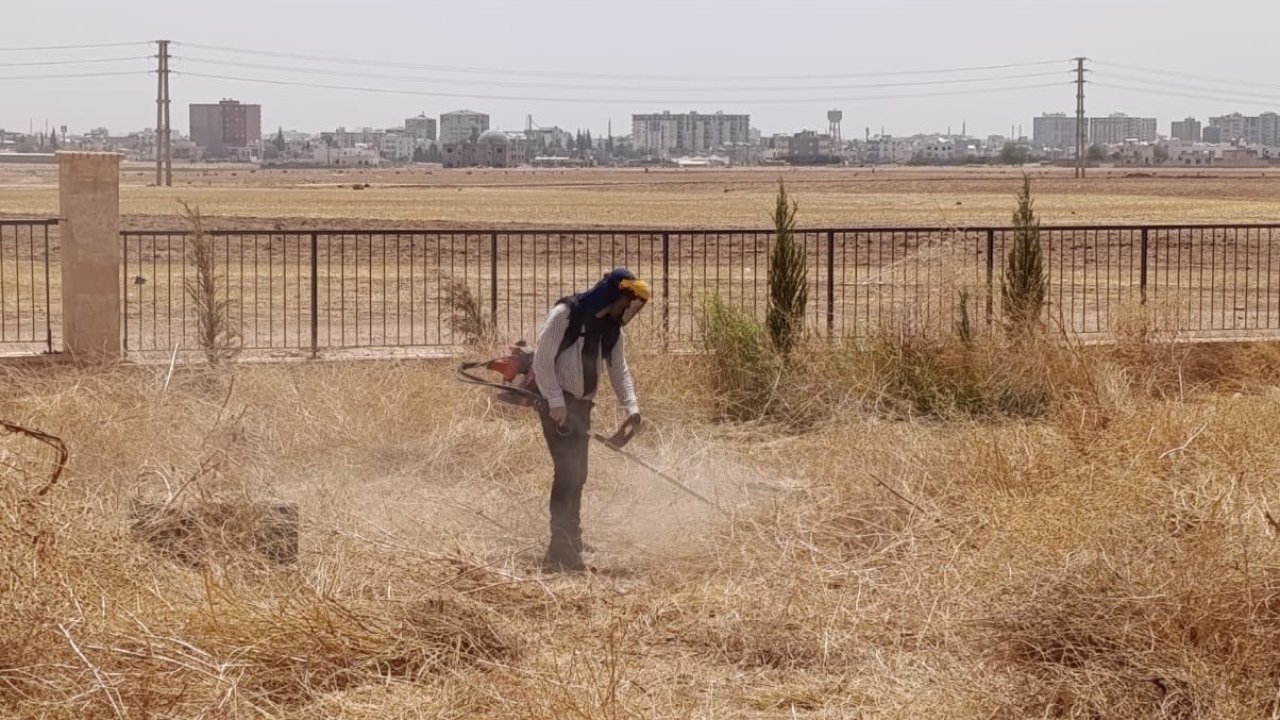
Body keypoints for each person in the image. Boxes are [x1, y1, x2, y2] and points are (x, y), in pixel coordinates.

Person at [532, 268, 650, 571]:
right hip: (556, 405)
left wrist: (632, 407)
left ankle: (572, 537)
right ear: (612, 295)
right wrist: (556, 403)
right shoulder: (564, 315)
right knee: (567, 473)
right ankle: (559, 551)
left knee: (579, 474)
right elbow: (542, 362)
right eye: (626, 302)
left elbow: (618, 368)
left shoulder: (611, 329)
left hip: (582, 407)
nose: (627, 309)